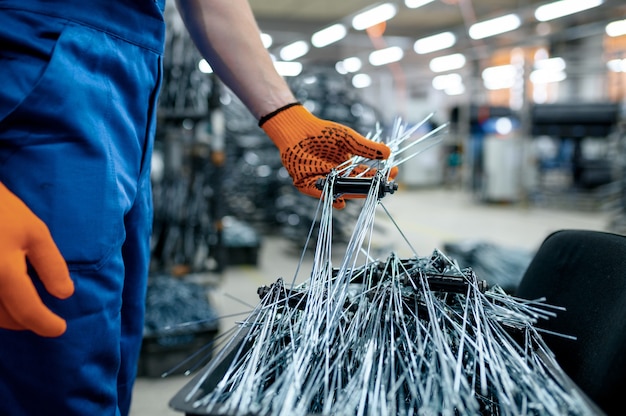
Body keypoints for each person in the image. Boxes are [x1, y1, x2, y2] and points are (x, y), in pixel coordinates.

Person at [0, 0, 392, 414]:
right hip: (34, 65)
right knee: (51, 371)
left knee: (105, 356)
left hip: (128, 83)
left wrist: (285, 116)